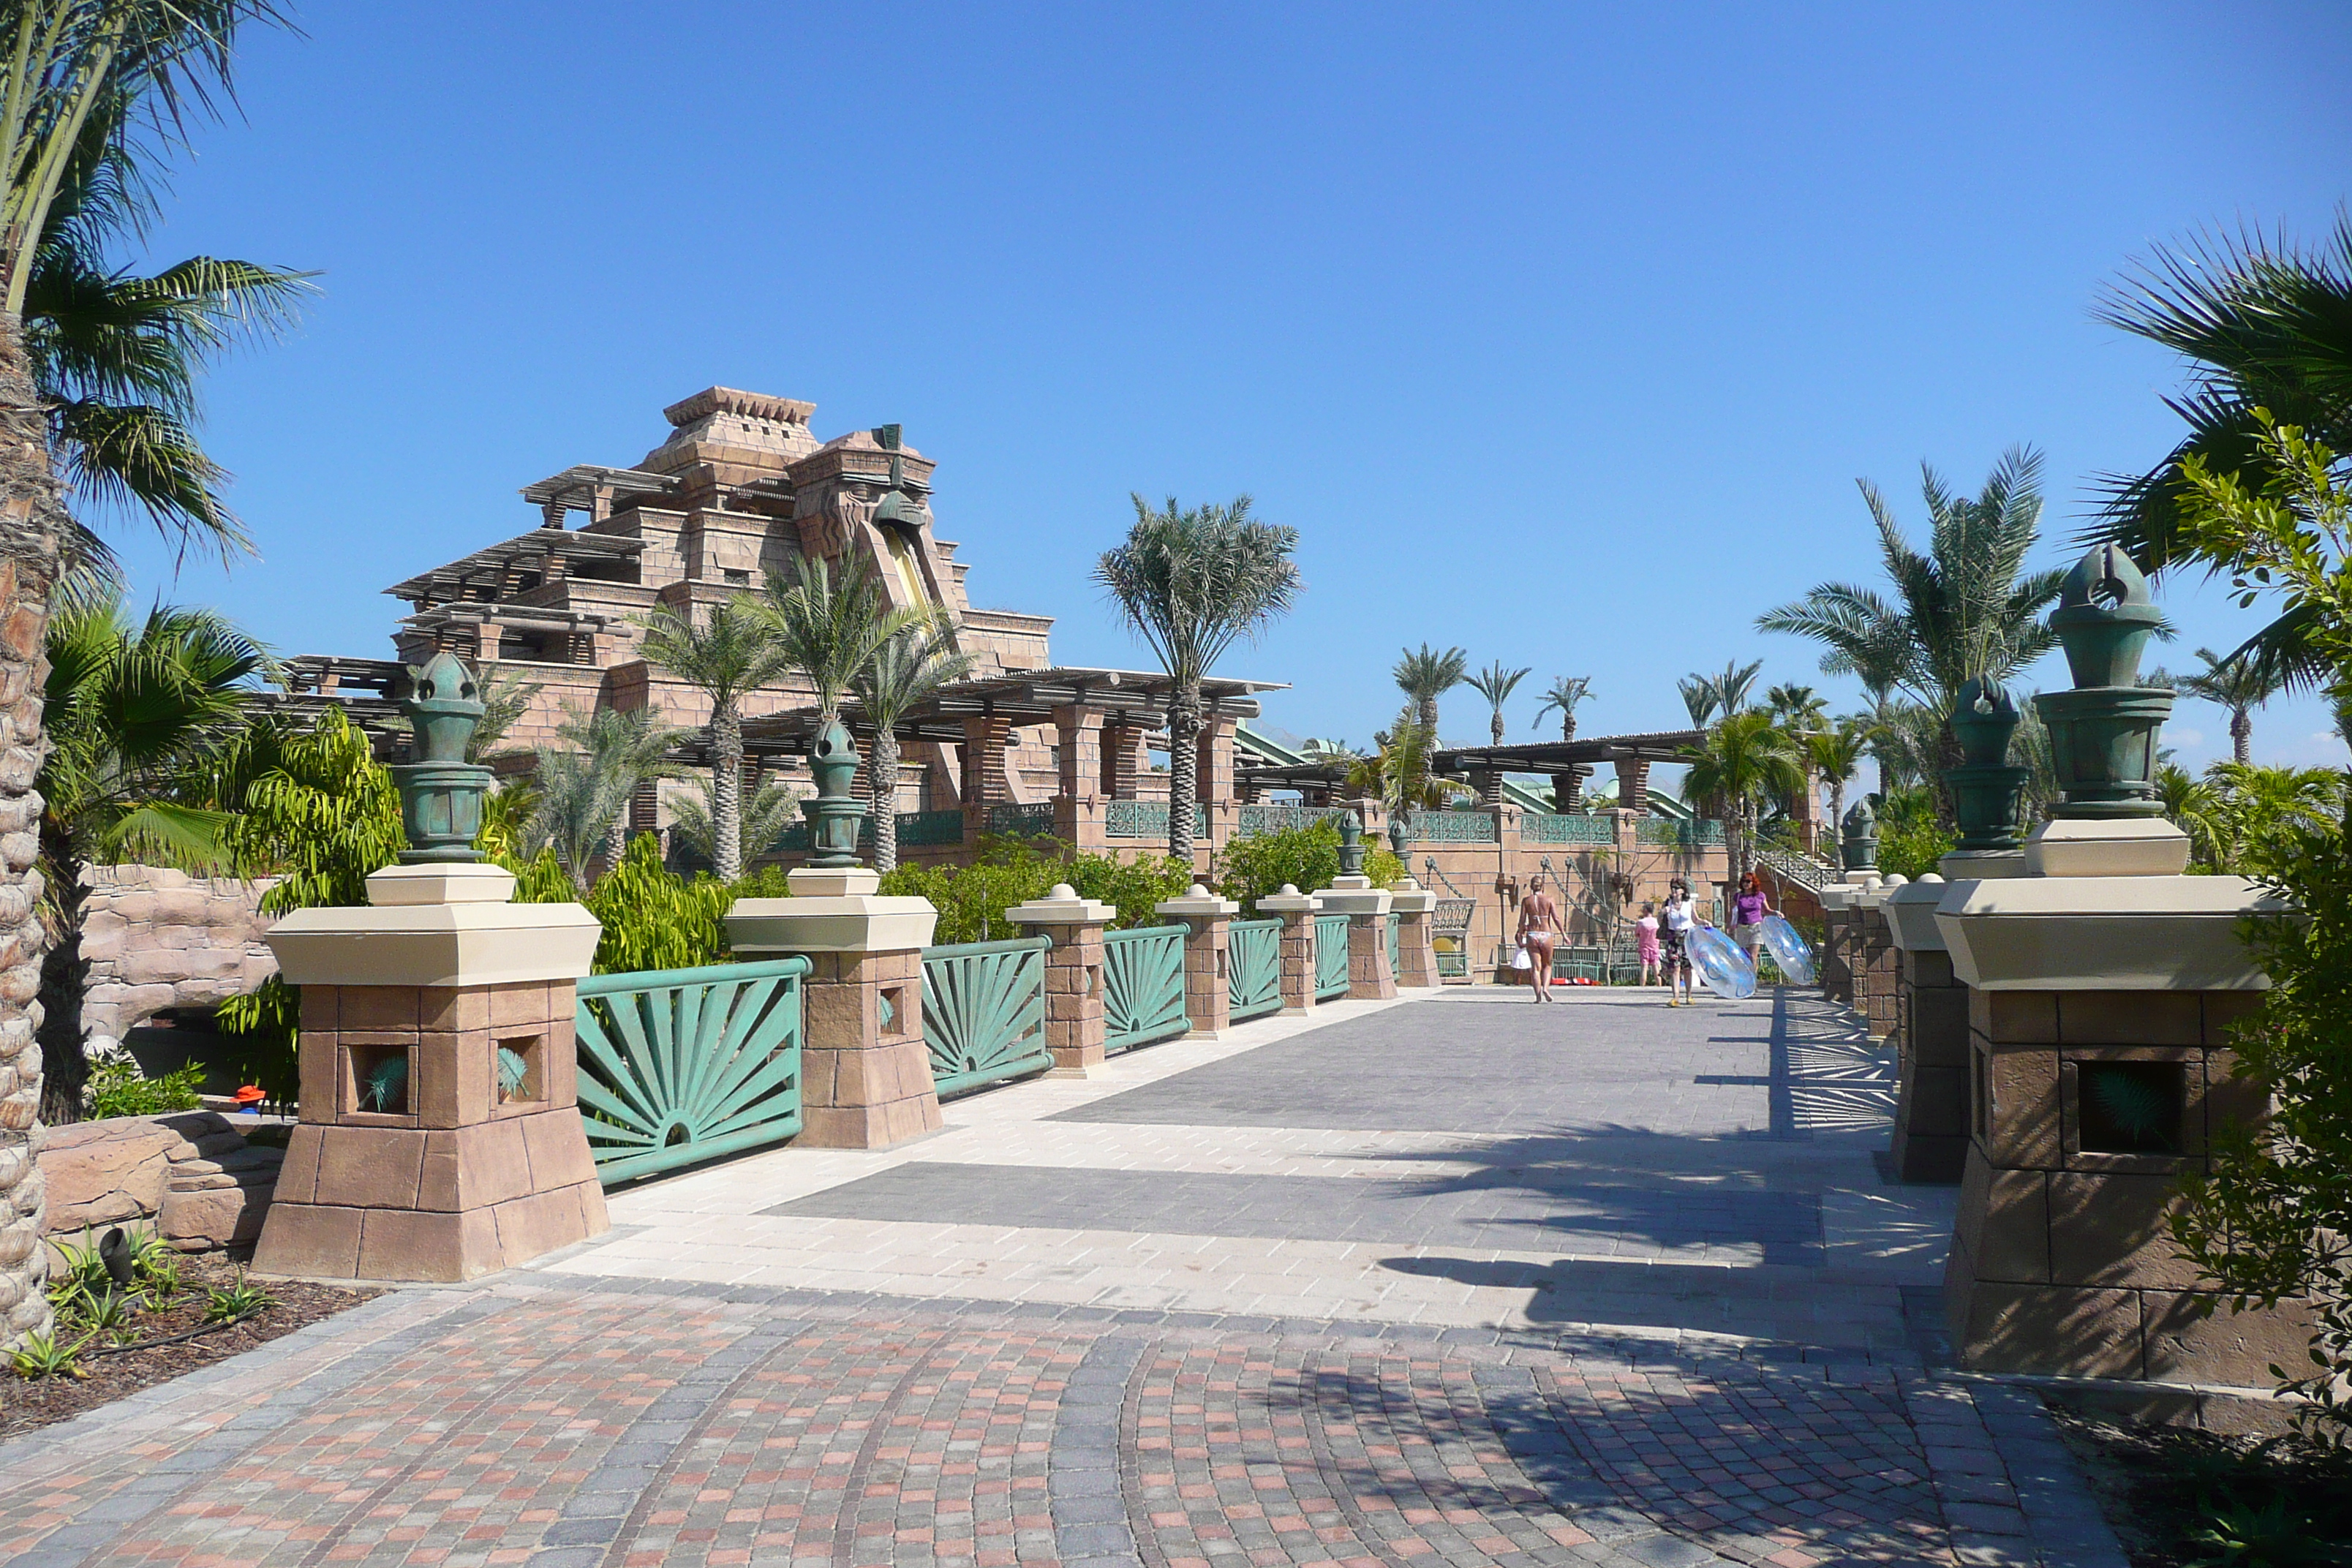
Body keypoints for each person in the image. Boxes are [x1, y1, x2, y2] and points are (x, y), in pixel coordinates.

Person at [1515, 872, 1562, 1003]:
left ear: (1531, 887)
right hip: (1546, 934)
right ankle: (1546, 989)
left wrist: (1520, 935)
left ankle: (1538, 997)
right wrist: (1563, 934)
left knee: (1536, 968)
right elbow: (1556, 918)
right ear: (1543, 887)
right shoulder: (1549, 899)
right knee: (1547, 964)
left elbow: (1522, 920)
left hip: (1532, 934)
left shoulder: (1526, 901)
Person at [1659, 879, 1701, 1006]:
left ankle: (1689, 995)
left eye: (1677, 888)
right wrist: (1662, 913)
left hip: (1687, 937)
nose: (1674, 890)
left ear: (1683, 891)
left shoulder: (1689, 903)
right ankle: (1676, 997)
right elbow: (1659, 921)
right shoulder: (1667, 904)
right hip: (1673, 937)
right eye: (1672, 888)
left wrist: (1704, 922)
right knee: (1675, 968)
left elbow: (1695, 919)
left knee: (1687, 968)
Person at [1730, 872, 1772, 970]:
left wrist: (1776, 913)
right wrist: (1731, 925)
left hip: (1756, 928)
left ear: (1753, 883)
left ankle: (1754, 980)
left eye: (1748, 881)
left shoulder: (1760, 896)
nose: (1746, 884)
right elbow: (1733, 912)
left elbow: (1767, 910)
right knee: (1744, 956)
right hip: (1742, 928)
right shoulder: (1738, 896)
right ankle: (1747, 978)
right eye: (1744, 881)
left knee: (1753, 956)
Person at [1635, 902, 1661, 987]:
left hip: (1644, 946)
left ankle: (1642, 986)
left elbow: (1636, 934)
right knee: (1656, 967)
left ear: (1646, 910)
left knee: (1644, 968)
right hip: (1655, 946)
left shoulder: (1641, 922)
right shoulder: (1657, 922)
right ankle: (1659, 985)